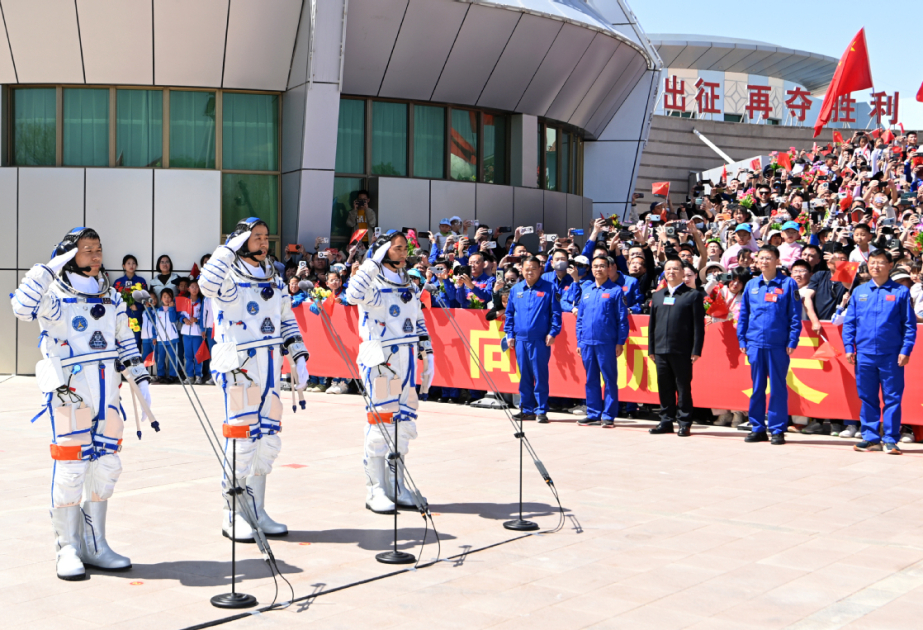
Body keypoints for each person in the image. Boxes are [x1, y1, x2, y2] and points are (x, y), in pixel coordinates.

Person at [11, 227, 154, 580]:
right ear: (68, 254)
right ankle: (67, 548)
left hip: (108, 392)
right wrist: (52, 264)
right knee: (72, 469)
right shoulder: (55, 295)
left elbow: (125, 339)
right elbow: (21, 306)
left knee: (105, 466)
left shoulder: (112, 296)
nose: (94, 255)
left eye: (98, 248)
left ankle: (96, 544)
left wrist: (140, 380)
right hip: (71, 392)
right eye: (85, 249)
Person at [199, 217, 309, 541]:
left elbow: (286, 318)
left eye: (265, 236)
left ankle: (257, 509)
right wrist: (231, 246)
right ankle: (231, 513)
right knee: (242, 439)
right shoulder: (228, 275)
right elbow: (206, 285)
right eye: (256, 237)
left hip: (270, 364)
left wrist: (298, 355)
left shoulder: (273, 277)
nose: (264, 242)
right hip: (239, 364)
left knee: (267, 440)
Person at [346, 231, 435, 513]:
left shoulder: (407, 280)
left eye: (404, 248)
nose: (403, 252)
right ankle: (376, 488)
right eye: (397, 248)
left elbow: (417, 317)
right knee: (382, 422)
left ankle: (397, 484)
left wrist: (427, 351)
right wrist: (371, 261)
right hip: (381, 361)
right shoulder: (371, 280)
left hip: (406, 359)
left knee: (403, 423)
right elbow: (352, 295)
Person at [843, 252, 916, 454]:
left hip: (891, 354)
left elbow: (909, 325)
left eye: (880, 263)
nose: (876, 267)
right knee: (867, 397)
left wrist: (905, 349)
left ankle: (891, 439)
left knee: (892, 397)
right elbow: (850, 323)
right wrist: (849, 347)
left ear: (890, 265)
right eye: (872, 263)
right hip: (865, 354)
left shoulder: (901, 292)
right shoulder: (859, 292)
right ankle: (871, 437)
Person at [737, 245, 801, 445]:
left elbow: (795, 316)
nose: (764, 262)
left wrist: (792, 340)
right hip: (755, 343)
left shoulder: (788, 284)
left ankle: (777, 428)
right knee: (757, 387)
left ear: (777, 261)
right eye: (761, 258)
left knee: (778, 388)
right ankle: (757, 427)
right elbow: (744, 315)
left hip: (778, 344)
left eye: (769, 258)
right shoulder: (751, 285)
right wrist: (742, 339)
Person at [648, 258, 706, 437]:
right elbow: (652, 324)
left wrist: (696, 350)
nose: (671, 272)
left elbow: (698, 325)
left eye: (675, 269)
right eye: (668, 269)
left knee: (682, 387)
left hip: (682, 350)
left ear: (683, 273)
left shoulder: (693, 295)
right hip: (660, 349)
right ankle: (666, 421)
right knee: (664, 386)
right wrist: (651, 349)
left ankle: (684, 422)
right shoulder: (658, 295)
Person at [504, 257, 563, 423]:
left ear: (540, 270)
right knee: (524, 376)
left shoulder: (549, 288)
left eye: (533, 268)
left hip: (540, 340)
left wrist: (553, 332)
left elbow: (556, 314)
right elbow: (509, 314)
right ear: (522, 270)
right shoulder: (516, 289)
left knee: (540, 375)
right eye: (527, 269)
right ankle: (527, 409)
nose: (530, 272)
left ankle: (542, 410)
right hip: (521, 340)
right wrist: (509, 334)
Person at [575, 256, 628, 428]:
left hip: (607, 342)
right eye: (595, 266)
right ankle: (593, 413)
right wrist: (580, 341)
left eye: (602, 266)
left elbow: (622, 318)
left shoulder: (615, 290)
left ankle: (608, 415)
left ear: (609, 268)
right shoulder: (587, 289)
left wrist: (620, 341)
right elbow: (580, 318)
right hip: (587, 343)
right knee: (591, 379)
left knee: (609, 379)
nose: (598, 269)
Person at [180, 279, 205, 384]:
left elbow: (204, 316)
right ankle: (189, 376)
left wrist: (197, 320)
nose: (194, 289)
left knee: (198, 355)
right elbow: (179, 315)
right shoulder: (184, 301)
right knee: (188, 356)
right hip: (186, 333)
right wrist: (184, 319)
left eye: (196, 287)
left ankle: (198, 375)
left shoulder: (202, 302)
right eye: (192, 287)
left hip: (197, 333)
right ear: (188, 289)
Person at [154, 288, 179, 383]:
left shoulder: (173, 309)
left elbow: (173, 320)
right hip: (161, 339)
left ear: (172, 298)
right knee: (161, 358)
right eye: (165, 297)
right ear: (161, 298)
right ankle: (160, 375)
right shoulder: (157, 311)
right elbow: (154, 324)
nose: (167, 299)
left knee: (173, 358)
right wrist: (154, 336)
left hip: (172, 338)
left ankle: (173, 375)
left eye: (169, 297)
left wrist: (171, 308)